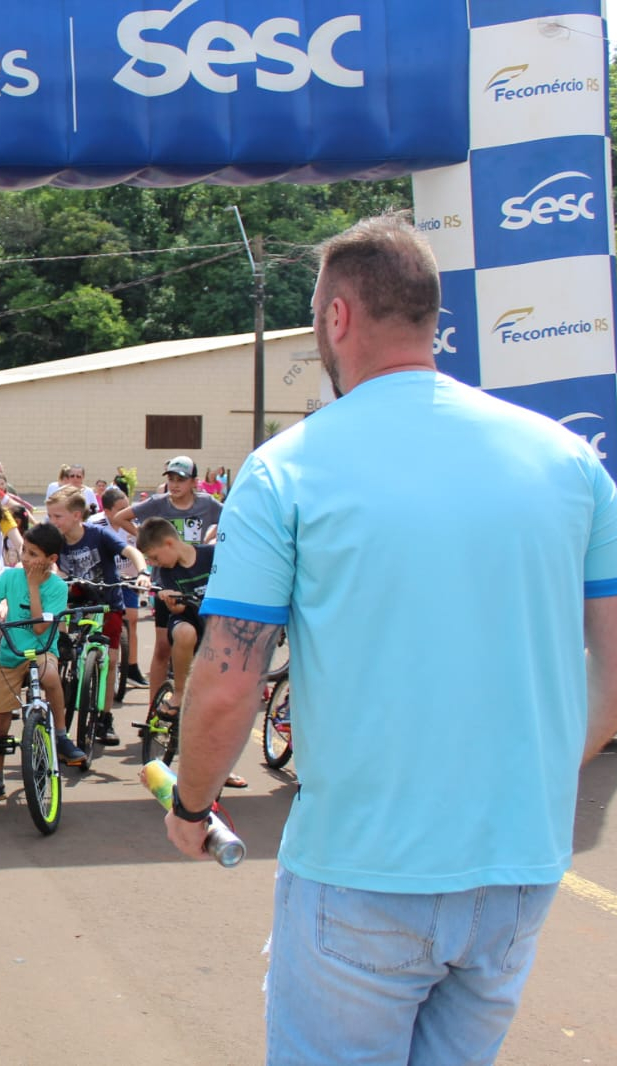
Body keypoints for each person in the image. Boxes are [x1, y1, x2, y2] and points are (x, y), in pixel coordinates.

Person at [161, 213, 617, 1062]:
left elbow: (228, 680)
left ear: (336, 317)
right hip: (518, 866)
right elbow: (612, 669)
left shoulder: (288, 466)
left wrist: (192, 803)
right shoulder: (568, 462)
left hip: (362, 867)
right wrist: (549, 764)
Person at [0, 522, 69, 805]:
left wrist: (33, 586)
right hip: (11, 655)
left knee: (50, 676)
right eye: (24, 552)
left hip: (41, 650)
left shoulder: (58, 587)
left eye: (33, 554)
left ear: (51, 559)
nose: (26, 559)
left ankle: (61, 733)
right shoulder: (10, 577)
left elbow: (41, 628)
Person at [136, 516, 243, 788]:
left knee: (222, 704)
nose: (155, 564)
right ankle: (180, 691)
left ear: (169, 543)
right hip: (187, 620)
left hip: (217, 628)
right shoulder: (167, 572)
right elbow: (180, 609)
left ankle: (221, 767)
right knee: (184, 633)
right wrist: (172, 603)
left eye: (155, 557)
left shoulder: (211, 555)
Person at [109, 455, 222, 710]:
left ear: (194, 482)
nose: (175, 484)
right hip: (167, 581)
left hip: (198, 576)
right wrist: (148, 542)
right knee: (162, 647)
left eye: (181, 479)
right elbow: (120, 518)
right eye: (171, 479)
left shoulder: (206, 504)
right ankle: (154, 710)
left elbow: (233, 519)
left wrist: (213, 540)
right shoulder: (159, 503)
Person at [47, 485, 148, 759]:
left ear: (76, 515)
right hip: (76, 600)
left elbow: (131, 552)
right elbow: (47, 560)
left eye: (58, 516)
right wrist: (54, 571)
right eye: (50, 516)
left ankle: (104, 717)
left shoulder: (98, 534)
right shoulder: (55, 539)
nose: (53, 521)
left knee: (111, 661)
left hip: (107, 600)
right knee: (57, 616)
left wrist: (143, 572)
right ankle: (64, 648)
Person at [96, 486, 148, 687]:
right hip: (103, 581)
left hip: (128, 579)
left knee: (132, 619)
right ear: (107, 511)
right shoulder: (96, 525)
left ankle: (132, 667)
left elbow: (143, 550)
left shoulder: (133, 526)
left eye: (128, 507)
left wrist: (142, 574)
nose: (127, 512)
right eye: (121, 509)